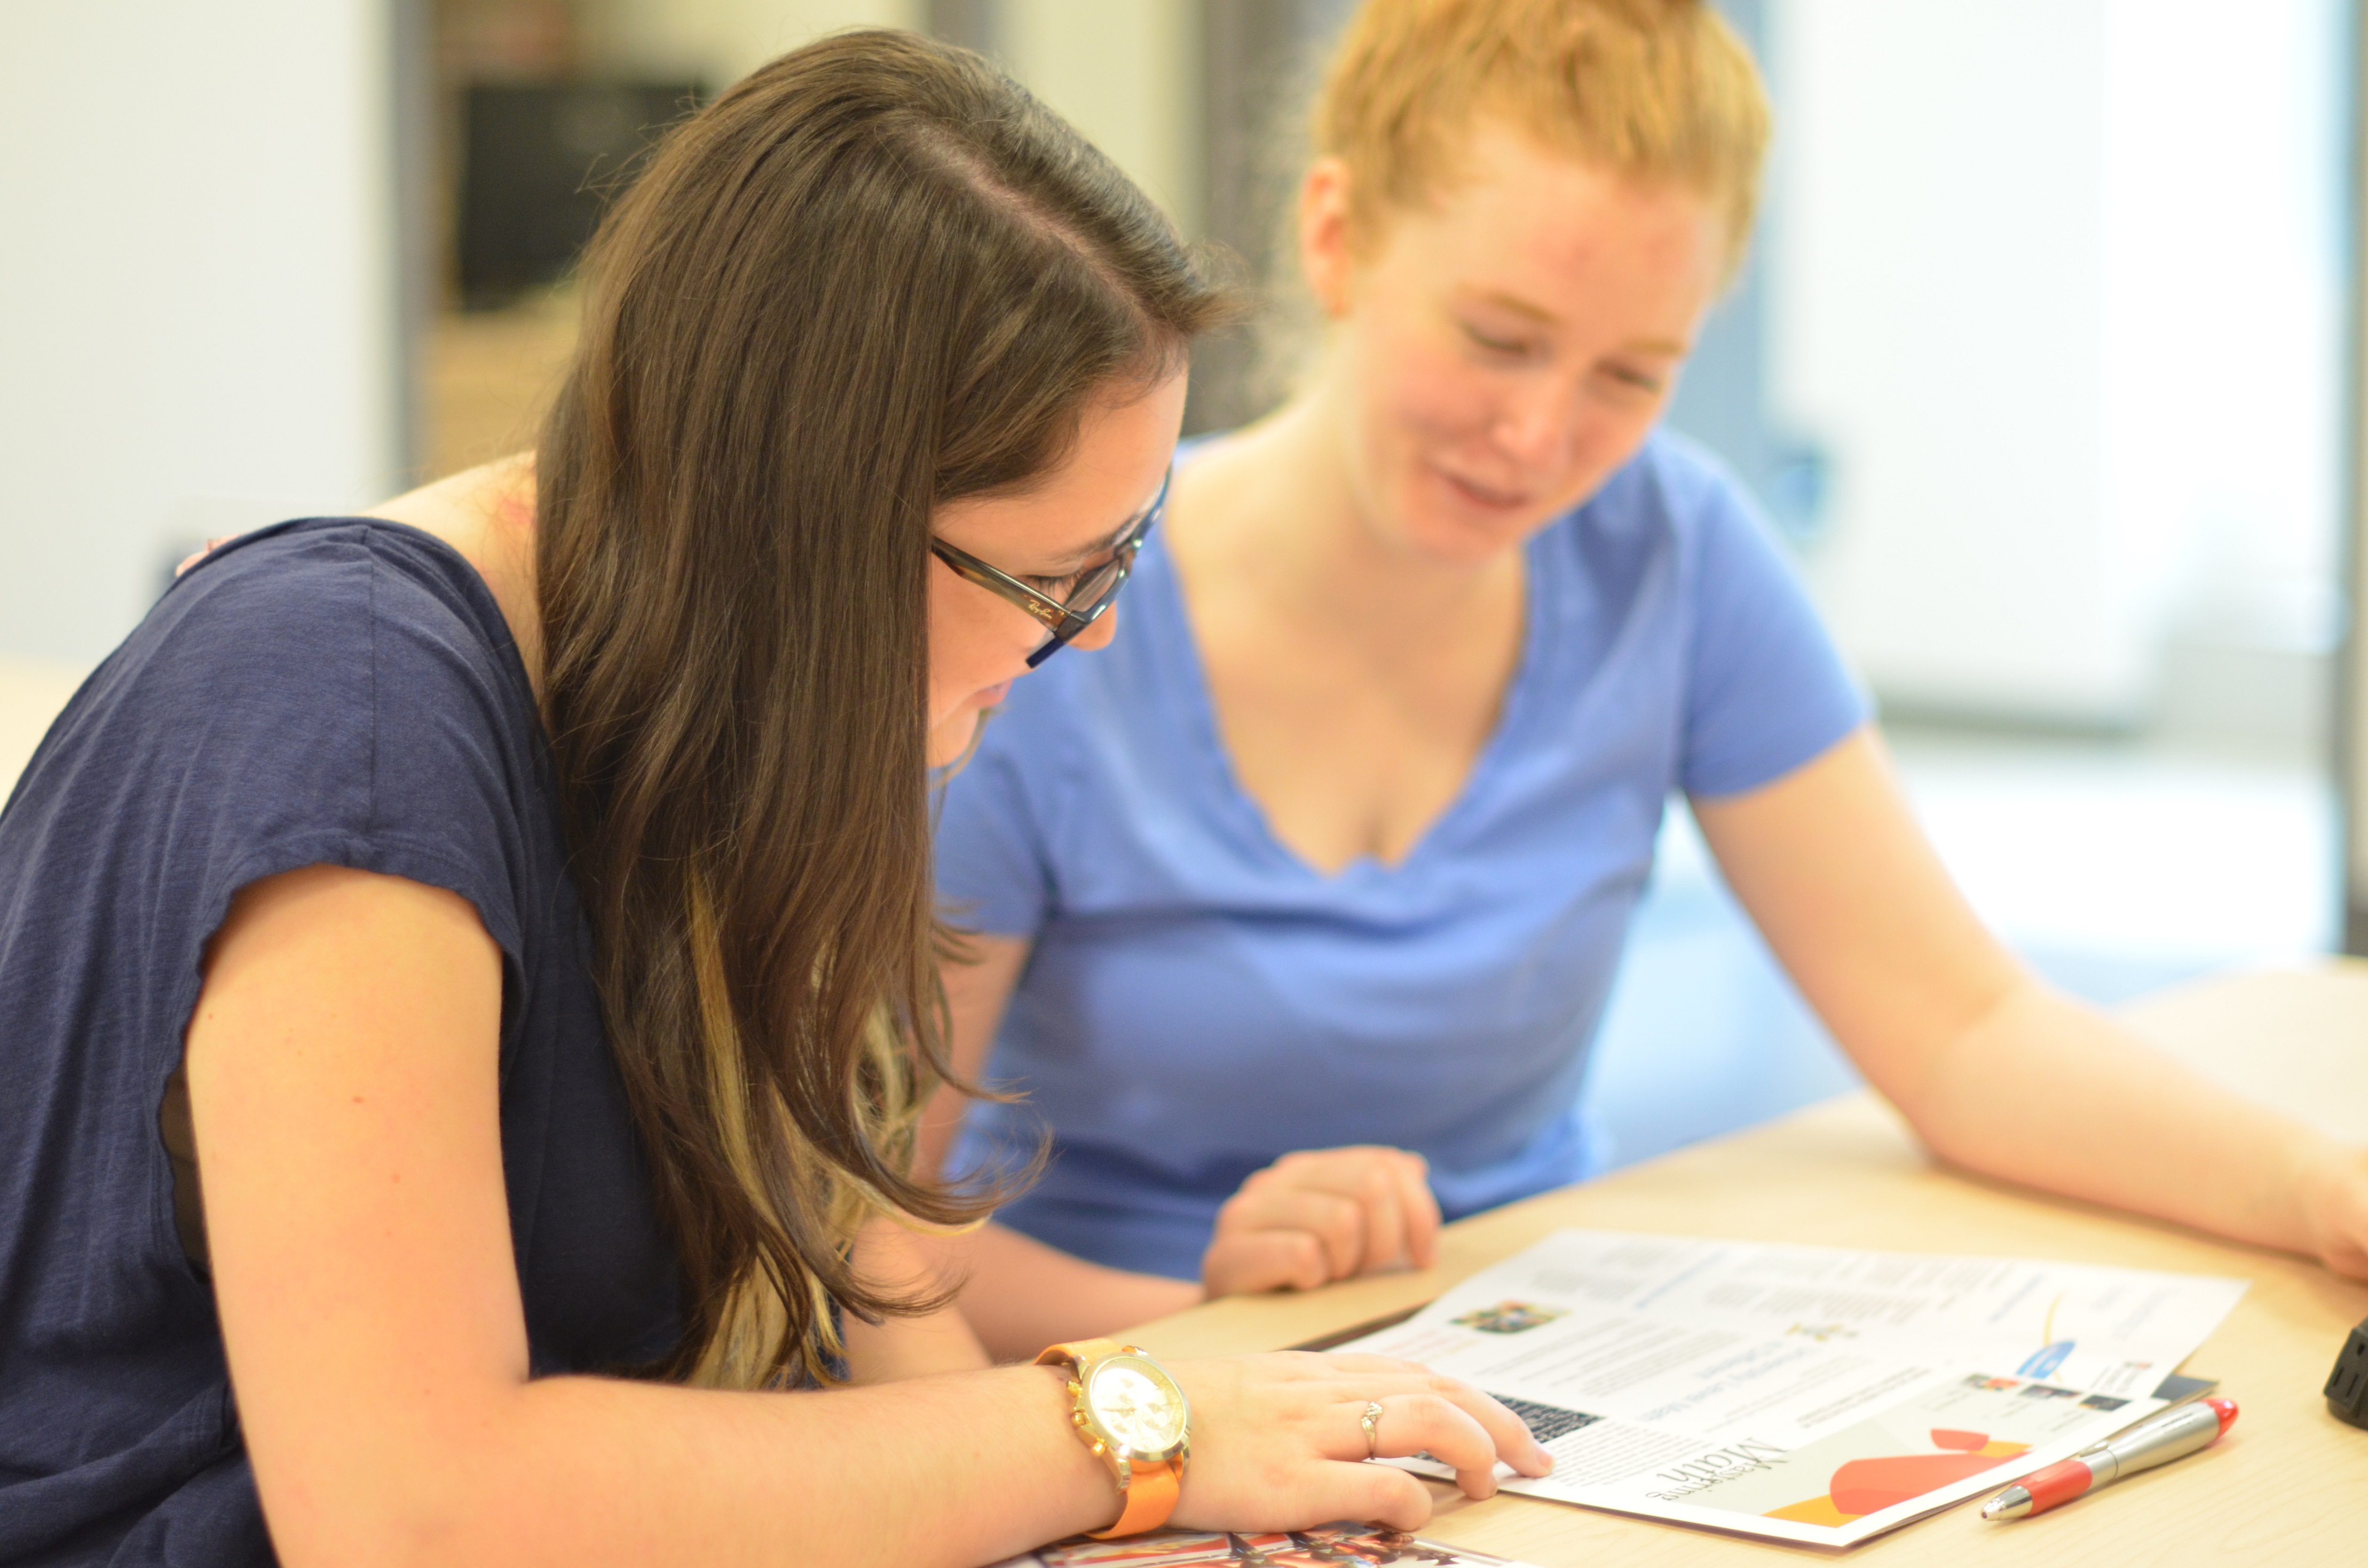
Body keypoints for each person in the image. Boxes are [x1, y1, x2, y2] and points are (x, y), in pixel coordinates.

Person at [0, 32, 1550, 1568]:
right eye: (1060, 580)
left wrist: (1134, 1492)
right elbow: (415, 1506)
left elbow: (887, 1316)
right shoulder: (345, 697)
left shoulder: (723, 717)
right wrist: (1126, 1433)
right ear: (810, 531)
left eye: (1124, 557)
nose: (1090, 635)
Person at [925, 0, 2368, 1358]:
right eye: (1497, 337)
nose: (1538, 434)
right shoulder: (1052, 615)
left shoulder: (1667, 552)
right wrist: (1210, 1317)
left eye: (1629, 376)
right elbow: (868, 1234)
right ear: (1336, 235)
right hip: (1140, 1372)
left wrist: (2319, 1189)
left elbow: (1958, 1027)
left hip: (1530, 1370)